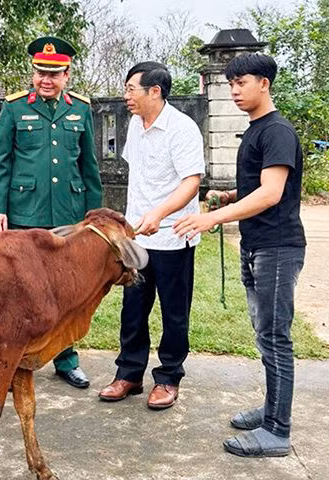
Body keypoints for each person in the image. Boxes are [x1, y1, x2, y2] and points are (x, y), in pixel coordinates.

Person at [174, 53, 306, 458]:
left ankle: (277, 431)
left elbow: (272, 193)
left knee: (275, 338)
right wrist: (230, 196)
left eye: (242, 82)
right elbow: (258, 186)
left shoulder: (277, 130)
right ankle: (271, 411)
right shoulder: (256, 129)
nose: (234, 90)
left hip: (277, 248)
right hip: (257, 246)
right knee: (264, 337)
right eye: (230, 83)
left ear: (264, 83)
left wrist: (211, 220)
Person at [0, 36, 102, 389]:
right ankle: (14, 358)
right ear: (33, 73)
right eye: (40, 73)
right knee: (20, 291)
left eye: (54, 74)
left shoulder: (80, 110)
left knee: (65, 291)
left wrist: (93, 216)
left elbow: (89, 167)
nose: (46, 80)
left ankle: (66, 359)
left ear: (67, 74)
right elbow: (1, 161)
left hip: (68, 215)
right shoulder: (15, 108)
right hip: (24, 212)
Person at [97, 62, 205, 410]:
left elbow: (192, 182)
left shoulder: (182, 129)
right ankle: (129, 373)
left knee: (174, 313)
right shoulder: (134, 125)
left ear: (154, 91)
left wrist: (159, 214)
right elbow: (140, 177)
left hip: (174, 237)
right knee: (132, 309)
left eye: (132, 89)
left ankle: (169, 378)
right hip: (137, 239)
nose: (126, 96)